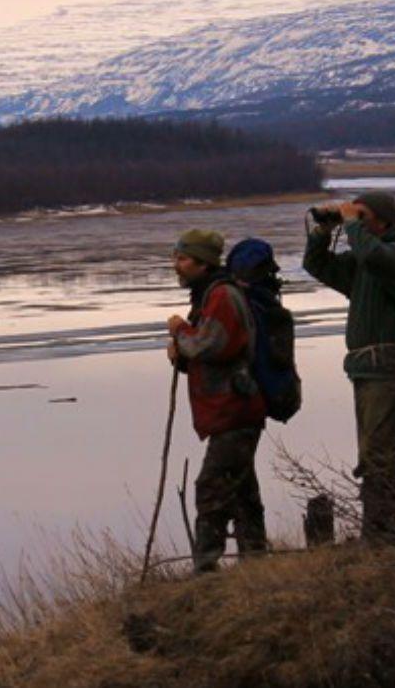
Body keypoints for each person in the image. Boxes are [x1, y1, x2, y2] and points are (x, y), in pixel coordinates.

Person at [302, 191, 395, 542]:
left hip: (389, 367)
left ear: (383, 220)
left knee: (381, 454)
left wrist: (352, 224)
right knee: (375, 452)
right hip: (366, 369)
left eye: (363, 215)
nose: (355, 220)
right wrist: (324, 230)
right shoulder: (364, 264)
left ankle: (385, 537)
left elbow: (374, 255)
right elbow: (316, 265)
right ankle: (384, 534)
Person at [166, 228, 268, 572]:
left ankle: (206, 571)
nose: (176, 265)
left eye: (182, 258)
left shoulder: (222, 296)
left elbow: (210, 345)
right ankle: (256, 563)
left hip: (234, 411)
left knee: (211, 487)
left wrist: (180, 331)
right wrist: (181, 356)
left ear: (203, 262)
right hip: (231, 411)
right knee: (241, 491)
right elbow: (210, 353)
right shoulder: (209, 294)